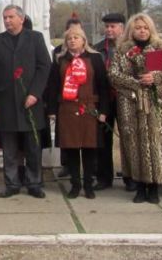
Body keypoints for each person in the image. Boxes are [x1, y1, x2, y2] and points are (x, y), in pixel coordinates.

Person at [109, 13, 162, 204]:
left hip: (155, 103)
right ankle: (138, 185)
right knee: (132, 143)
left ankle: (154, 186)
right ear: (132, 29)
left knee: (154, 141)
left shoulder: (161, 49)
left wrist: (154, 78)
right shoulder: (122, 50)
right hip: (130, 102)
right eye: (138, 27)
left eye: (145, 27)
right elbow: (114, 74)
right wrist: (135, 83)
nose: (142, 31)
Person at [0, 5, 51, 199]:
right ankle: (12, 183)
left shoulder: (35, 38)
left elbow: (44, 66)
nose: (7, 21)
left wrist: (35, 93)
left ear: (21, 19)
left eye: (11, 17)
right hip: (6, 103)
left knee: (33, 146)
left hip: (30, 103)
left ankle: (34, 183)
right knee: (9, 148)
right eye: (5, 17)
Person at [45, 25, 109, 199]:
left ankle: (88, 184)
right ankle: (75, 184)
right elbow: (52, 87)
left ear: (83, 40)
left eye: (76, 37)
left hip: (90, 108)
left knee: (89, 149)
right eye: (69, 38)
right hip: (67, 108)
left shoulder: (95, 59)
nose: (72, 40)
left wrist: (103, 110)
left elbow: (104, 86)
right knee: (71, 149)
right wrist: (51, 110)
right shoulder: (59, 60)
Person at [92, 12, 134, 191]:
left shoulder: (130, 48)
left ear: (122, 28)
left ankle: (131, 176)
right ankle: (103, 177)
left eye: (113, 26)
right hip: (104, 99)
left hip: (125, 98)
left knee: (128, 138)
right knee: (102, 139)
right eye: (107, 26)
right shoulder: (98, 49)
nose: (109, 30)